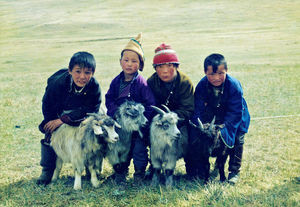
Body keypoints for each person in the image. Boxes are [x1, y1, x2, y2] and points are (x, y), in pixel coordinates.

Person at [36, 51, 101, 185]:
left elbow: (92, 110)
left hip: (82, 116)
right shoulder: (57, 84)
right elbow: (47, 104)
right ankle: (48, 168)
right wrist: (53, 123)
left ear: (93, 73)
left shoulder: (94, 87)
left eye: (87, 73)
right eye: (78, 71)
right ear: (70, 70)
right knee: (50, 136)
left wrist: (65, 120)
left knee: (94, 134)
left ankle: (92, 167)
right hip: (58, 112)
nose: (82, 76)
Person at [188, 53, 250, 184]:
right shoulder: (201, 86)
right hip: (213, 117)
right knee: (201, 137)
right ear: (205, 72)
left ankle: (234, 171)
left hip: (236, 117)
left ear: (227, 70)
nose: (216, 78)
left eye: (221, 73)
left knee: (237, 139)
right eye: (211, 74)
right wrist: (201, 126)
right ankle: (200, 169)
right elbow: (198, 110)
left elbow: (235, 111)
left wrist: (222, 128)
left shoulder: (233, 85)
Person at [105, 33, 155, 184]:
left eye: (134, 61)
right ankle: (120, 171)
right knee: (120, 149)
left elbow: (150, 104)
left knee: (139, 149)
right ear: (120, 62)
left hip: (137, 127)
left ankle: (139, 173)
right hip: (120, 125)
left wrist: (139, 118)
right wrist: (115, 112)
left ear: (140, 64)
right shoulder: (116, 81)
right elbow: (109, 98)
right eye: (126, 60)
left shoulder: (141, 83)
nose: (129, 64)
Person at [146, 43, 194, 179]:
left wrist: (172, 118)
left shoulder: (185, 82)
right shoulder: (151, 82)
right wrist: (159, 121)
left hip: (180, 122)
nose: (165, 71)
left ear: (176, 66)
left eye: (170, 65)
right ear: (155, 69)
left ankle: (190, 163)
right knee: (150, 134)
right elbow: (150, 105)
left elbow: (188, 109)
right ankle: (154, 163)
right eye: (160, 66)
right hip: (159, 122)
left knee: (185, 140)